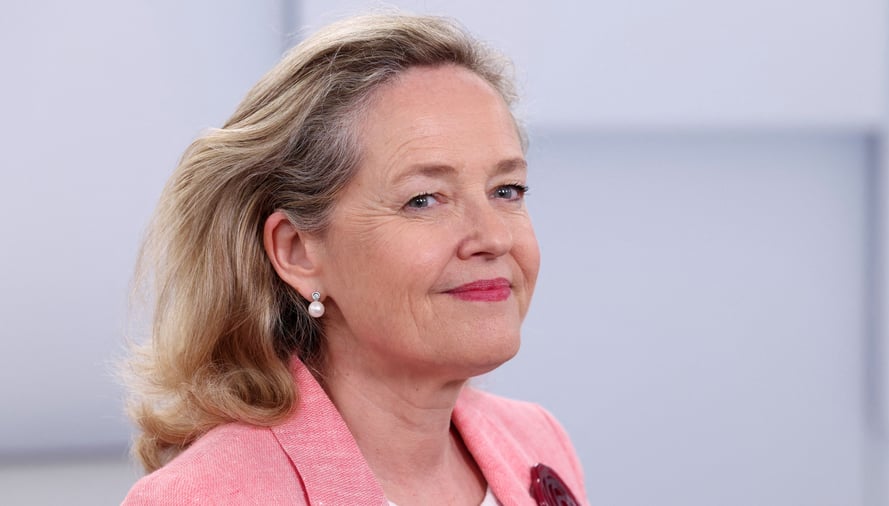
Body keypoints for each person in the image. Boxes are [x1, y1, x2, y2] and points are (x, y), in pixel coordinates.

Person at [122, 13, 588, 506]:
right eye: (423, 199)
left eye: (507, 190)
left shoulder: (536, 439)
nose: (493, 237)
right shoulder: (208, 497)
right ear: (297, 251)